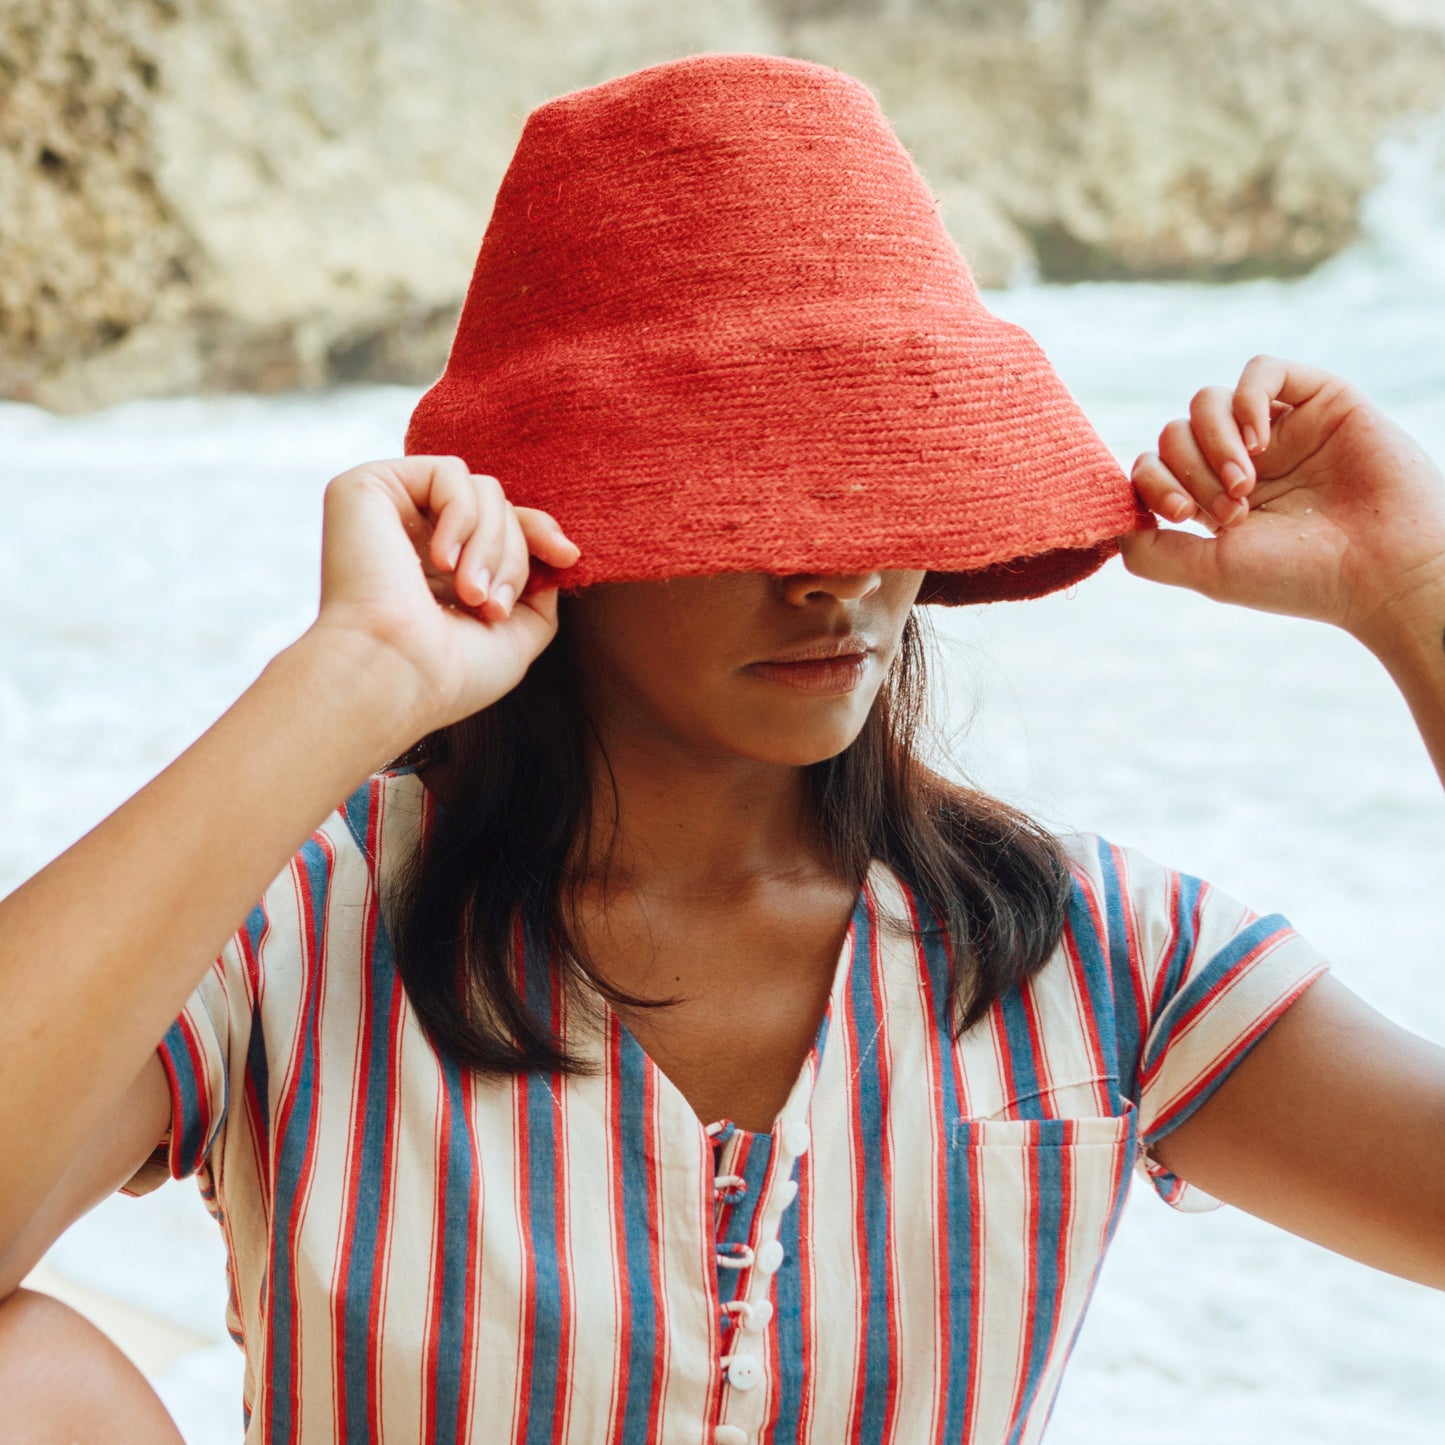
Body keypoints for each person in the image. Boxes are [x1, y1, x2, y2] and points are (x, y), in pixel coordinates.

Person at [2, 51, 1443, 1445]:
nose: (833, 573)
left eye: (877, 478)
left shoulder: (1100, 956)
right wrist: (355, 674)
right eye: (746, 493)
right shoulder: (302, 933)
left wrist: (1414, 596)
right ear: (568, 514)